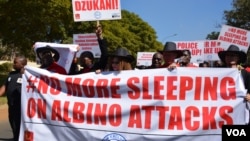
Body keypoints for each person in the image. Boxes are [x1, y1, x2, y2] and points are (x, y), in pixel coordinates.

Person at [218, 44, 250, 124]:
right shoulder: (217, 72)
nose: (230, 57)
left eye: (233, 55)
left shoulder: (244, 73)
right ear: (224, 58)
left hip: (239, 110)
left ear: (238, 58)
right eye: (228, 55)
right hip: (221, 111)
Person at [0, 55, 27, 141]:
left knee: (19, 124)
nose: (13, 64)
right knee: (12, 122)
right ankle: (16, 137)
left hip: (21, 106)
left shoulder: (27, 75)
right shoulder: (11, 74)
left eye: (15, 63)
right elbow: (4, 87)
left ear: (22, 64)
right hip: (11, 105)